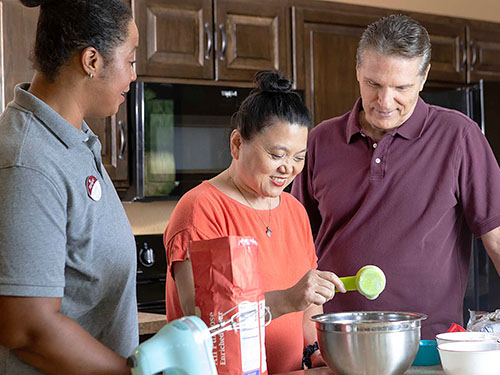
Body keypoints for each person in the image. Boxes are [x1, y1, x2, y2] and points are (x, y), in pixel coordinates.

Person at [292, 14, 500, 339]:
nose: (384, 102)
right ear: (358, 70)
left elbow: (497, 238)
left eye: (401, 87)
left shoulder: (459, 136)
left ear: (423, 77)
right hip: (333, 341)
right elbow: (295, 249)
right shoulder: (319, 140)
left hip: (429, 344)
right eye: (373, 84)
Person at [163, 71, 346, 374]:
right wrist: (286, 300)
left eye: (299, 157)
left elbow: (309, 304)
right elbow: (207, 322)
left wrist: (317, 355)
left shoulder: (294, 210)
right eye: (277, 154)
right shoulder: (201, 209)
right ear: (237, 144)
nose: (288, 168)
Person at [0, 1, 139, 374]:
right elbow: (27, 327)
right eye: (130, 60)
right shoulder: (29, 160)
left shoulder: (73, 142)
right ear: (92, 61)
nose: (133, 76)